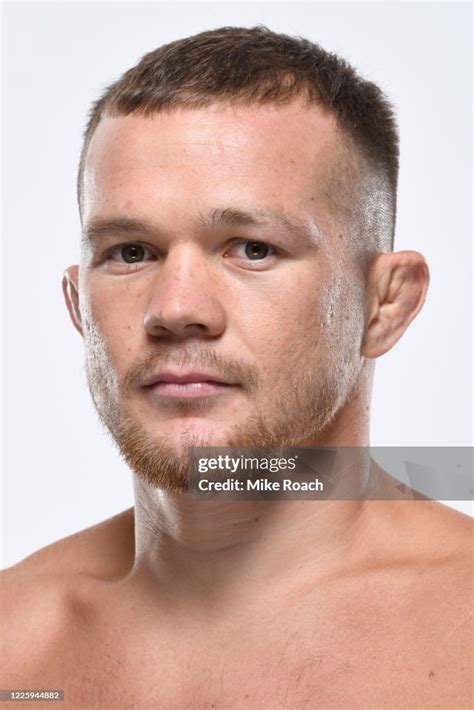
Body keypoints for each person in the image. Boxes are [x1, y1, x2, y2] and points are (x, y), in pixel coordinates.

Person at [2, 26, 472, 709]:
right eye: (131, 252)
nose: (176, 308)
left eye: (252, 248)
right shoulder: (16, 646)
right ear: (78, 304)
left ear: (384, 304)